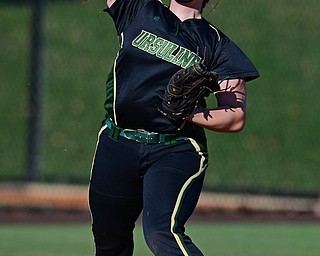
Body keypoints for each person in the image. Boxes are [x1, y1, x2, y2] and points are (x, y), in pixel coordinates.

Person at [88, 0, 259, 255]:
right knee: (109, 239)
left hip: (174, 149)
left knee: (161, 231)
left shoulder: (216, 44)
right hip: (117, 142)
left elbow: (235, 117)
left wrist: (191, 113)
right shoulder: (139, 9)